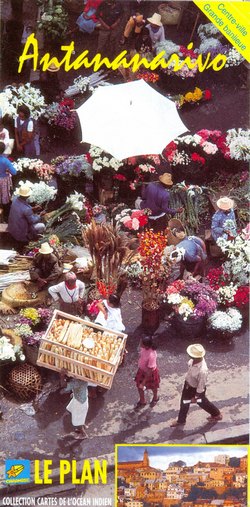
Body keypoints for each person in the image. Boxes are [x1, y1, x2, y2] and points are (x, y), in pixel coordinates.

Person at [171, 344, 222, 427]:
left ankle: (216, 414)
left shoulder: (203, 371)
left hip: (195, 390)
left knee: (203, 403)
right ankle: (181, 420)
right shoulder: (192, 361)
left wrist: (196, 397)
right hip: (188, 386)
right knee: (184, 403)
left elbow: (201, 386)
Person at [60, 370, 88, 440]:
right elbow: (80, 388)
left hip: (79, 403)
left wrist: (62, 376)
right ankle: (83, 425)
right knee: (71, 410)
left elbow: (63, 385)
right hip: (81, 399)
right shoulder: (84, 379)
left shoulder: (77, 382)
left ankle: (83, 434)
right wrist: (74, 393)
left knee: (76, 421)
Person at [134, 336, 160, 408]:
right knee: (139, 387)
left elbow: (150, 370)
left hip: (149, 373)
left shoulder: (151, 355)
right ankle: (142, 401)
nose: (140, 344)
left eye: (141, 343)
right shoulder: (144, 348)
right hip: (142, 370)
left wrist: (143, 382)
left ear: (147, 346)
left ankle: (155, 397)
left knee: (153, 386)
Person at [0, 142, 17, 217]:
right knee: (5, 198)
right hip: (3, 180)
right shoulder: (5, 161)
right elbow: (14, 172)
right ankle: (6, 215)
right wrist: (6, 170)